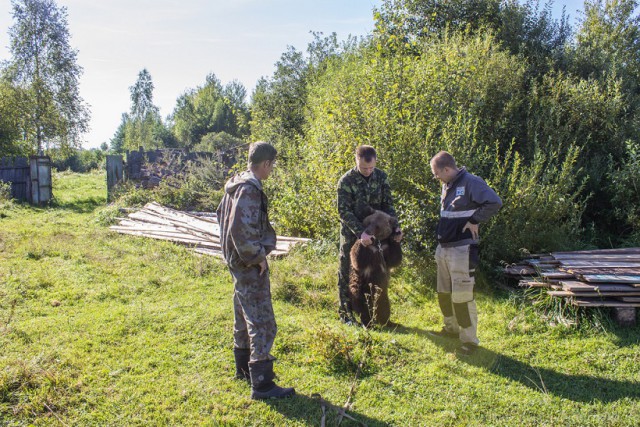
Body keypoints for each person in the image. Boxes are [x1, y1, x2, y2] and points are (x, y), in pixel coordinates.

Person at [216, 141, 295, 400]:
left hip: (235, 262)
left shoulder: (235, 182)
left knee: (242, 313)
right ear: (266, 164)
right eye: (272, 166)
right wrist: (258, 256)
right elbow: (241, 229)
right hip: (248, 263)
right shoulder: (250, 189)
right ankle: (262, 384)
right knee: (263, 321)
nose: (272, 171)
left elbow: (220, 217)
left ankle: (242, 369)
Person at [429, 151, 502, 355]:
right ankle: (450, 329)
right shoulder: (447, 184)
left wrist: (475, 220)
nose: (436, 178)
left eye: (437, 173)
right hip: (443, 248)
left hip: (462, 249)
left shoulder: (471, 182)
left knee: (462, 296)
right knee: (444, 293)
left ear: (446, 169)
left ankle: (469, 341)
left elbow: (494, 202)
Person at [337, 145, 403, 324]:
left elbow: (388, 205)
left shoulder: (381, 177)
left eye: (371, 168)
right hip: (353, 233)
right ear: (356, 160)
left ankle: (381, 317)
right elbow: (343, 212)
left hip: (379, 234)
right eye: (364, 168)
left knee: (381, 274)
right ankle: (346, 314)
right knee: (347, 272)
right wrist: (361, 233)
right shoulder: (346, 181)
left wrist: (395, 227)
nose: (367, 171)